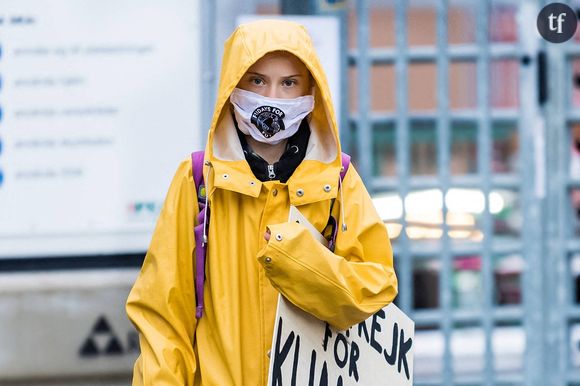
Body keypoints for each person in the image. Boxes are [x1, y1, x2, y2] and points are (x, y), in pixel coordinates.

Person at [126, 19, 398, 385]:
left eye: (289, 83)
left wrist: (302, 262)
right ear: (232, 86)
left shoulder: (338, 181)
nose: (272, 96)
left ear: (310, 89)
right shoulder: (197, 181)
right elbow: (162, 315)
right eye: (256, 80)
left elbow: (374, 289)